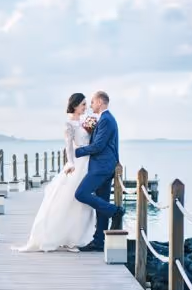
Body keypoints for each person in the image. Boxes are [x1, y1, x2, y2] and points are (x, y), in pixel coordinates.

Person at [17, 93, 98, 252]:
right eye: (83, 104)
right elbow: (68, 146)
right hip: (78, 163)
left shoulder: (85, 121)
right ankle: (64, 237)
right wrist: (70, 163)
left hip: (89, 163)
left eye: (86, 104)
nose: (85, 107)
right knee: (70, 199)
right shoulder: (69, 124)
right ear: (75, 106)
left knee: (83, 204)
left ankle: (77, 237)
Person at [73, 90, 124, 252]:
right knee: (100, 205)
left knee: (81, 193)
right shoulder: (105, 119)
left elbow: (98, 146)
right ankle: (99, 242)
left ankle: (116, 211)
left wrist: (76, 152)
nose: (91, 105)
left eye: (93, 102)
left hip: (101, 166)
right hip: (105, 165)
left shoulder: (107, 120)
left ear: (100, 102)